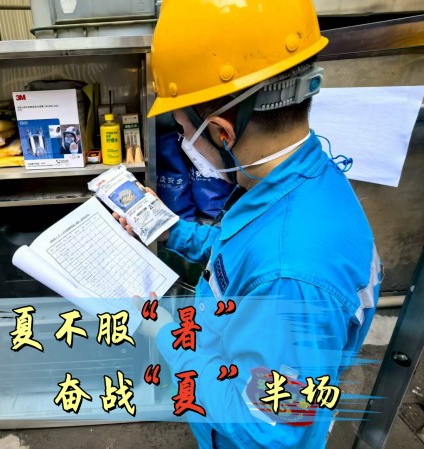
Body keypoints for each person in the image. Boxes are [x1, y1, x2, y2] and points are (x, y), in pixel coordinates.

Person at [115, 1, 382, 448]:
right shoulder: (303, 178)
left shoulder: (291, 273)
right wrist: (170, 231)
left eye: (183, 129)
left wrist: (161, 332)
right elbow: (242, 253)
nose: (185, 142)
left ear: (221, 131)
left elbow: (266, 425)